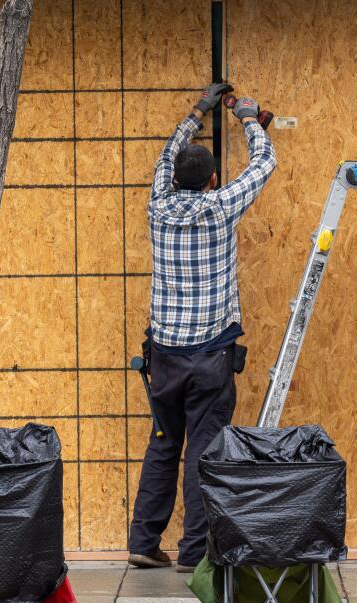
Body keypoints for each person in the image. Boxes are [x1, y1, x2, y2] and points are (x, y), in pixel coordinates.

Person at [128, 83, 277, 572]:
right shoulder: (221, 207)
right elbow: (263, 167)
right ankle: (193, 554)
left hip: (164, 356)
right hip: (210, 358)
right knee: (202, 453)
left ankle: (143, 542)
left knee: (163, 445)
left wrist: (197, 112)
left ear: (173, 179)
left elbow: (167, 156)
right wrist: (249, 118)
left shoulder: (158, 206)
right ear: (213, 179)